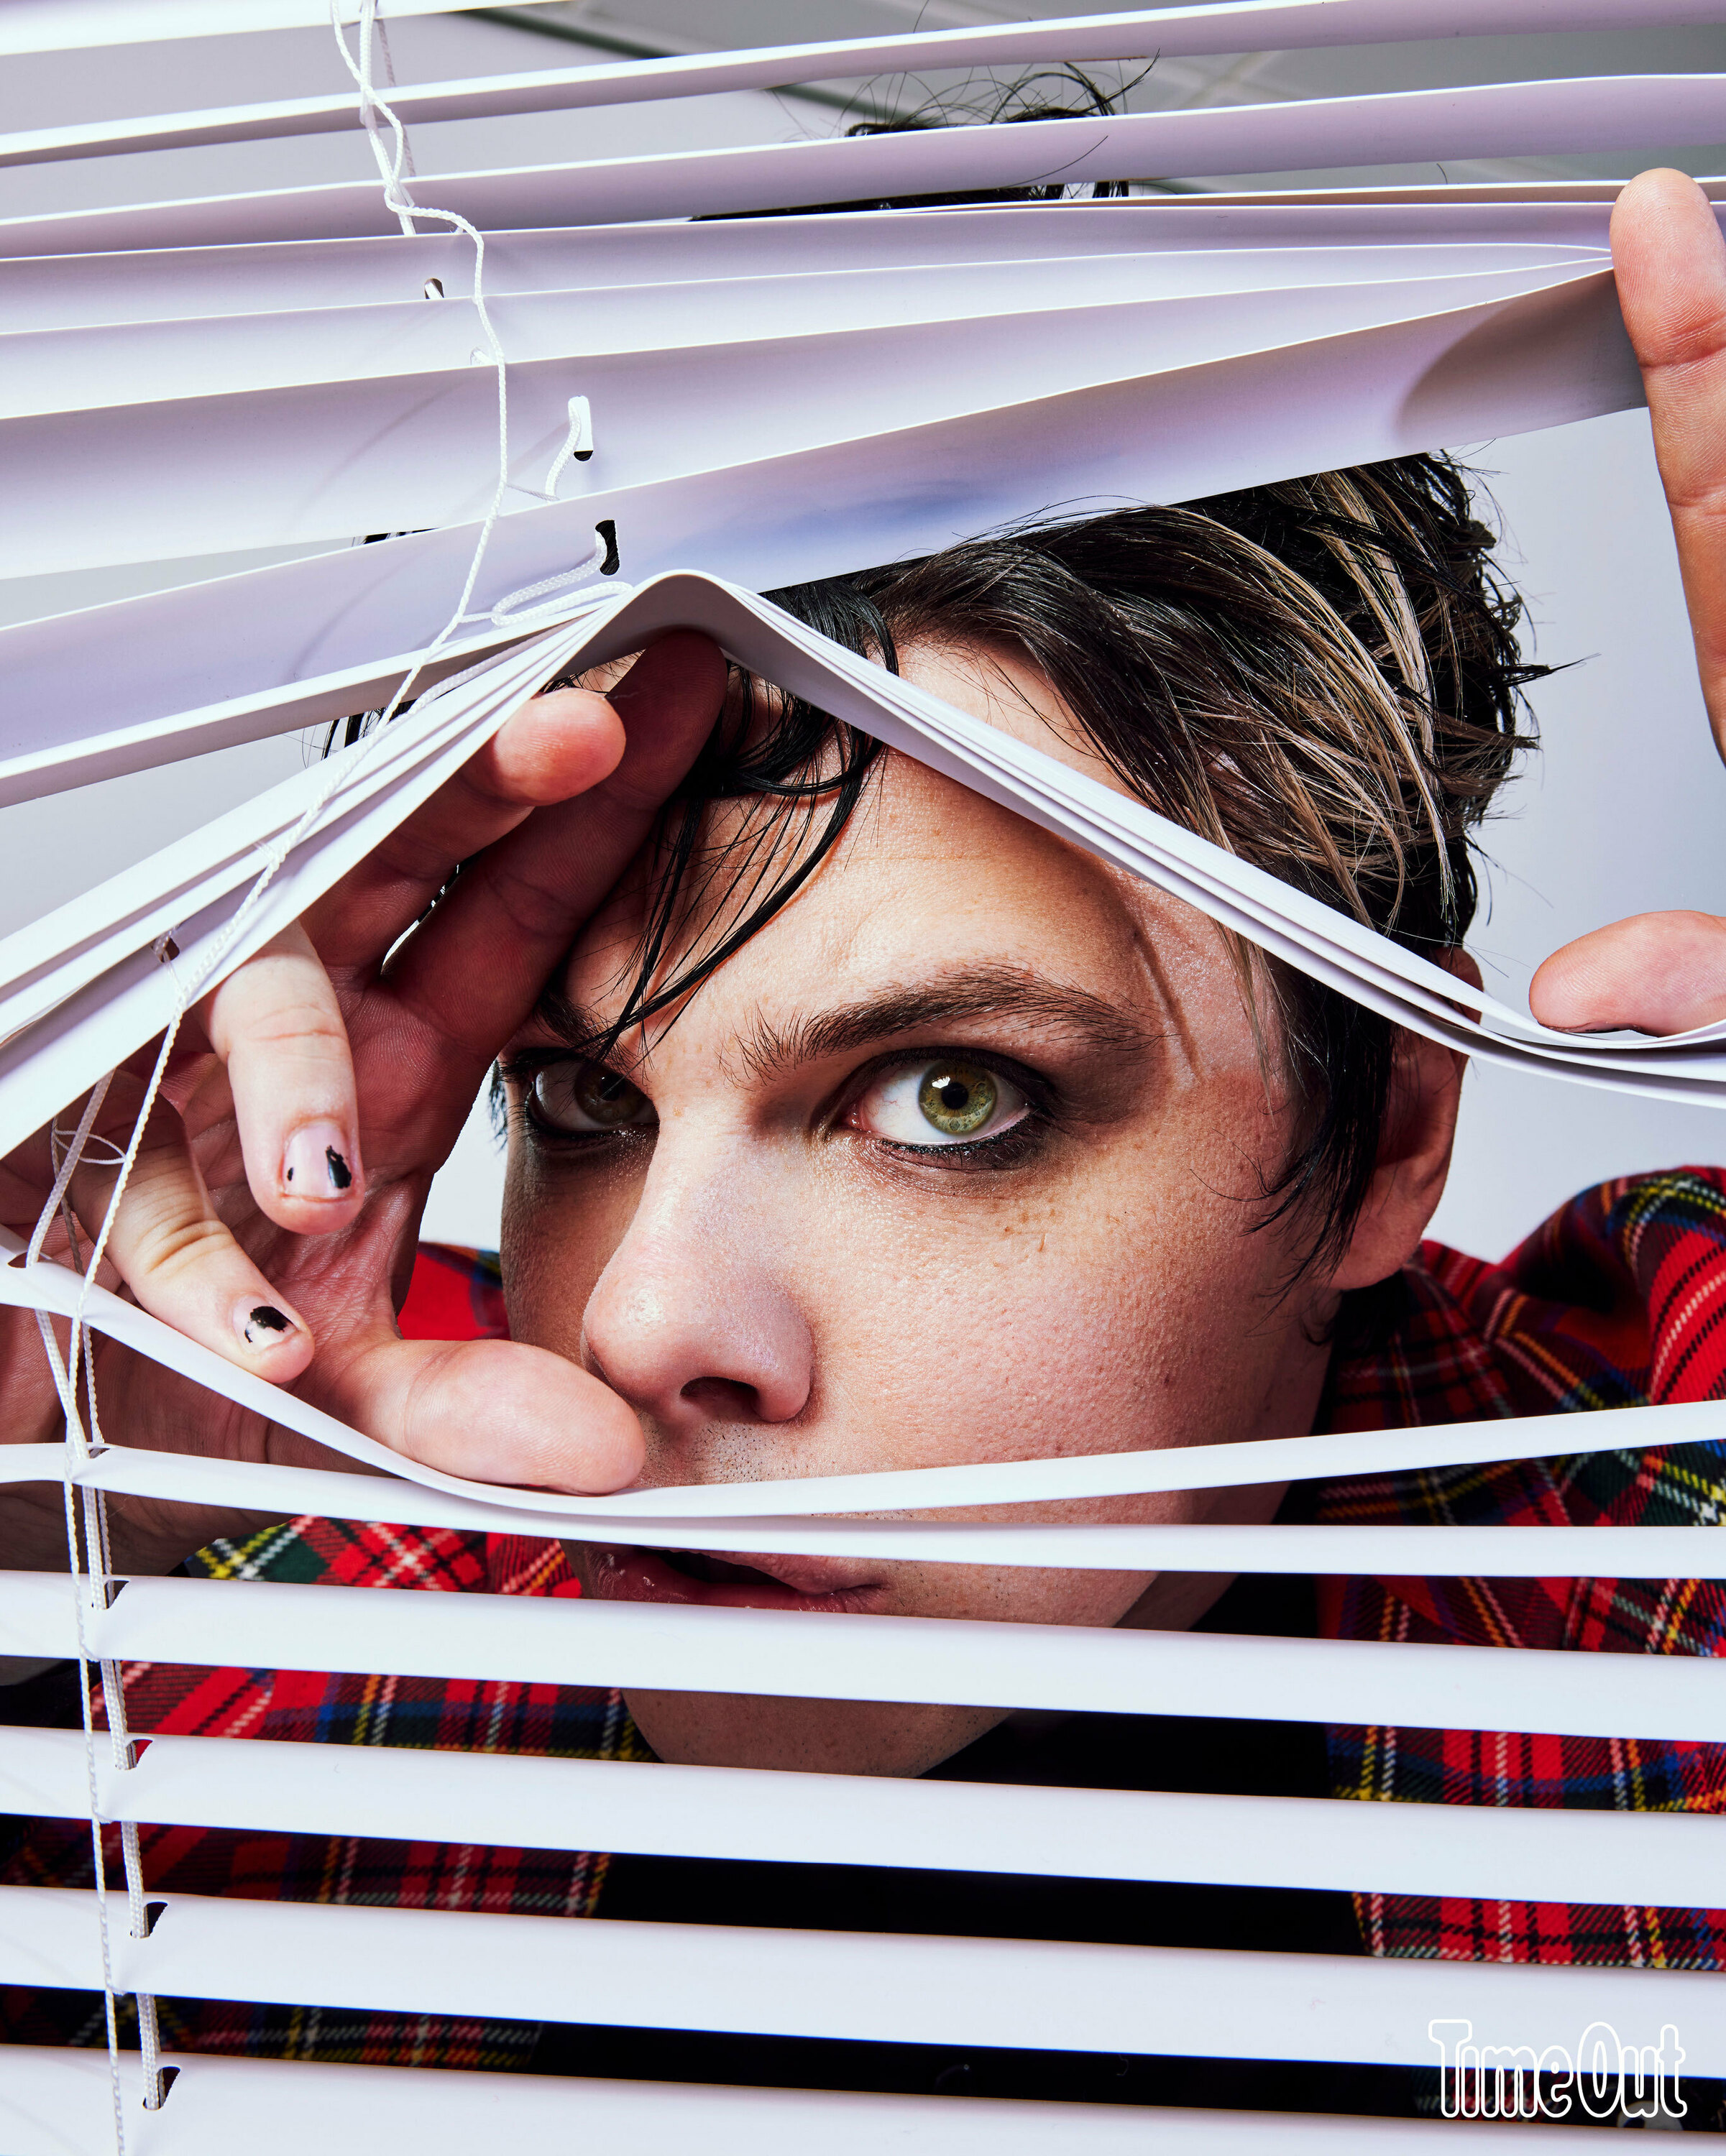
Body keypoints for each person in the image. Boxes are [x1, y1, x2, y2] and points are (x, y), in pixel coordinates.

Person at [4, 170, 1725, 2118]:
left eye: (948, 1097)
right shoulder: (250, 1586)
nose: (642, 1329)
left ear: (1388, 1130)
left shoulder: (1646, 1612)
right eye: (582, 1104)